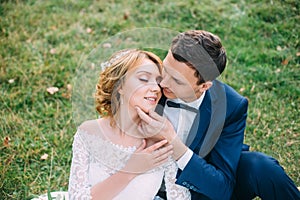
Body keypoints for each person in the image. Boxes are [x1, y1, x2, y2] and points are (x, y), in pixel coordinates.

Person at [136, 30, 300, 200]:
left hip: (203, 186)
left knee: (261, 167)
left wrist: (175, 145)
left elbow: (222, 189)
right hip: (149, 187)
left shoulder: (231, 105)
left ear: (204, 86)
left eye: (177, 80)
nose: (163, 82)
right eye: (166, 69)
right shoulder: (146, 85)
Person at [67, 49, 191, 200]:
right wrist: (131, 169)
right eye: (144, 79)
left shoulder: (162, 139)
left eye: (158, 82)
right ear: (119, 86)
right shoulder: (89, 133)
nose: (155, 88)